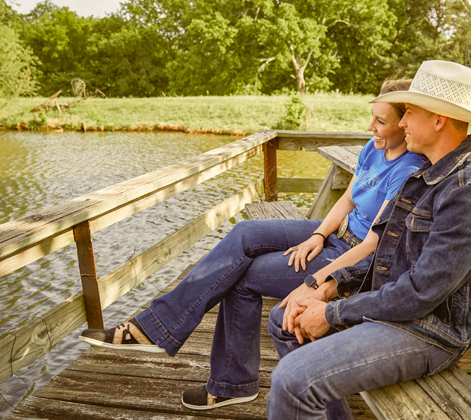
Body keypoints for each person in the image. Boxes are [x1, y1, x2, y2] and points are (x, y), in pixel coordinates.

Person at [78, 78, 427, 412]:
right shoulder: (373, 148)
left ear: (405, 123)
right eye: (372, 118)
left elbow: (372, 244)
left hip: (356, 259)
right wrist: (317, 236)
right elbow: (346, 201)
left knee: (242, 276)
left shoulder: (408, 169)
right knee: (245, 233)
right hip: (335, 237)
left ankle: (229, 383)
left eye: (381, 122)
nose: (370, 127)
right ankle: (158, 328)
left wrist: (319, 279)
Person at [265, 60, 471, 420]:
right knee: (283, 319)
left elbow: (421, 293)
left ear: (438, 119)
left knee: (293, 380)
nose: (402, 122)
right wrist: (328, 287)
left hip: (430, 331)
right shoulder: (424, 172)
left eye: (409, 112)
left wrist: (332, 313)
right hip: (397, 307)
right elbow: (387, 250)